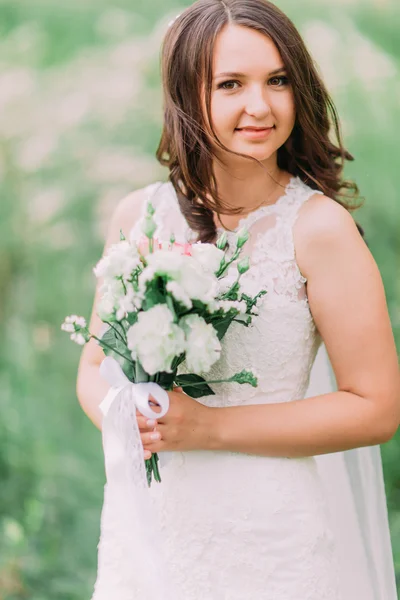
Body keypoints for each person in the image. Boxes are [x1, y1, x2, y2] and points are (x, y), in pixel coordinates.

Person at [76, 1, 400, 598]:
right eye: (231, 84)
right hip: (148, 526)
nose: (261, 105)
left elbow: (376, 407)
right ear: (186, 97)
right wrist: (137, 420)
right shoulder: (140, 215)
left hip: (268, 538)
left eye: (278, 80)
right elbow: (94, 369)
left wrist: (208, 428)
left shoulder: (319, 229)